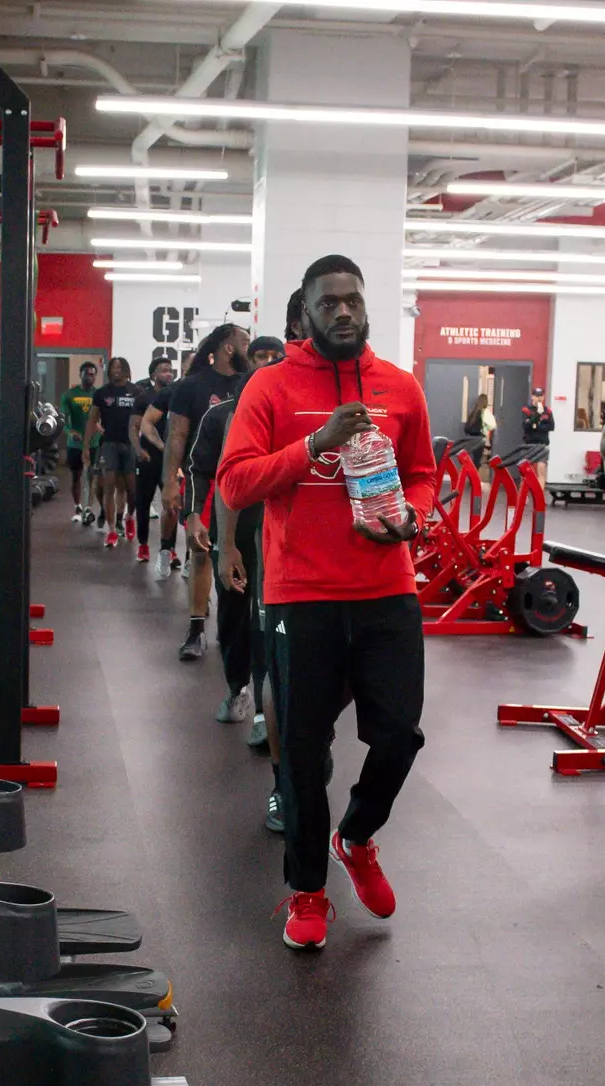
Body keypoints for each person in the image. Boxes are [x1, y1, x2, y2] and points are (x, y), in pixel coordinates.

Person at [218, 254, 436, 951]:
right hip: (302, 595)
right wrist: (316, 443)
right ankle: (308, 891)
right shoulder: (270, 386)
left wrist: (414, 516)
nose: (343, 312)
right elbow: (234, 484)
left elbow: (424, 476)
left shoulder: (400, 387)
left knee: (399, 734)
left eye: (352, 300)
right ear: (305, 313)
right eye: (328, 303)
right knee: (304, 753)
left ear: (365, 305)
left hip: (387, 589)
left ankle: (358, 836)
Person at [186, 341, 278, 730]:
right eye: (261, 357)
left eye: (275, 358)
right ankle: (237, 688)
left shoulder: (288, 414)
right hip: (234, 529)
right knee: (234, 613)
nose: (268, 364)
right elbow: (199, 469)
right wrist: (194, 515)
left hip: (278, 532)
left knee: (269, 620)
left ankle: (265, 709)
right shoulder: (220, 415)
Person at [165, 322, 250, 660]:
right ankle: (196, 629)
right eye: (245, 342)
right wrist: (170, 482)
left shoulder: (251, 384)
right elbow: (176, 436)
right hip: (204, 478)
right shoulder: (191, 386)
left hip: (244, 483)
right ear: (229, 347)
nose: (249, 349)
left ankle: (242, 628)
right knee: (200, 551)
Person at [84, 357, 142, 549]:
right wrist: (86, 447)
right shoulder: (102, 393)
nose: (116, 370)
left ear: (126, 370)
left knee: (131, 489)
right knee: (108, 487)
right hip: (109, 444)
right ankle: (111, 530)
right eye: (113, 367)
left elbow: (146, 420)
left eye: (120, 367)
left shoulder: (137, 392)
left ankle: (129, 516)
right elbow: (92, 420)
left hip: (130, 445)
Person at [132, 356, 177, 565]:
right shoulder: (144, 397)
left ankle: (168, 548)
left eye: (170, 370)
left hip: (170, 459)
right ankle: (143, 545)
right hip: (148, 457)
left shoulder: (176, 395)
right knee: (143, 502)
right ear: (153, 375)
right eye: (163, 370)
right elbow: (134, 426)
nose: (168, 373)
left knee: (172, 503)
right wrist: (139, 449)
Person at [60, 362, 100, 525]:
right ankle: (77, 507)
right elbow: (63, 421)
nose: (89, 377)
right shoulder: (69, 395)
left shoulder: (99, 395)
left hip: (94, 442)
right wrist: (70, 432)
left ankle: (88, 508)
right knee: (76, 476)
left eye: (92, 374)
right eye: (86, 374)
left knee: (92, 476)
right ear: (80, 374)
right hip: (75, 444)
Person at [522, 386, 555, 485]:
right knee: (525, 472)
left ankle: (539, 494)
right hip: (529, 444)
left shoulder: (548, 411)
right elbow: (526, 426)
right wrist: (537, 414)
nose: (539, 398)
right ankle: (524, 493)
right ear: (532, 397)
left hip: (542, 444)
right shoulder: (526, 410)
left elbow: (551, 426)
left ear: (543, 397)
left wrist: (536, 426)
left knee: (541, 469)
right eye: (536, 396)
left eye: (541, 396)